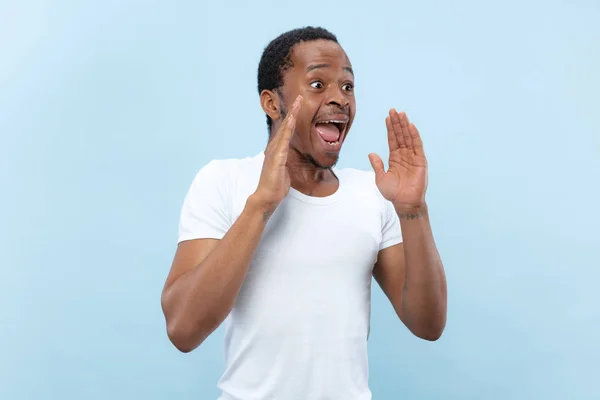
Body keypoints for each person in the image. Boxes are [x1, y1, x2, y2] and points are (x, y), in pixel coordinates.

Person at [161, 26, 447, 400]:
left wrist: (413, 210)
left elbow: (428, 324)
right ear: (272, 103)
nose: (340, 99)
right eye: (317, 84)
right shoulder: (223, 180)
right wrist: (262, 204)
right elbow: (183, 329)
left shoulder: (373, 194)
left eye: (347, 86)